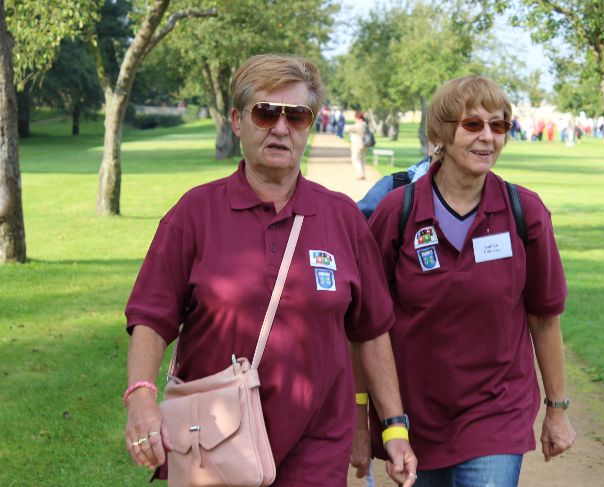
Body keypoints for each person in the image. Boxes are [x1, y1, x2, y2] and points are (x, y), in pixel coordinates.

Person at [123, 53, 417, 487]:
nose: (281, 128)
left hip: (317, 448)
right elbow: (151, 315)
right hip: (217, 444)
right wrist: (141, 395)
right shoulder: (195, 213)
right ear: (237, 121)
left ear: (309, 126)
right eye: (265, 113)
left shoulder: (342, 218)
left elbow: (372, 332)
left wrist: (394, 429)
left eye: (297, 116)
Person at [364, 74, 576, 486]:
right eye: (473, 124)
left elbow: (544, 318)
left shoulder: (525, 212)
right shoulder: (397, 212)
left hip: (498, 412)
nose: (488, 137)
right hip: (416, 416)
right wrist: (369, 419)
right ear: (441, 133)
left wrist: (557, 410)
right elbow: (369, 327)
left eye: (498, 126)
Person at [346, 111, 367, 180]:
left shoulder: (359, 125)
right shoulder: (365, 125)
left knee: (355, 159)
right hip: (364, 145)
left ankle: (360, 174)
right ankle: (362, 174)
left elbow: (348, 129)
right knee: (361, 160)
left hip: (358, 145)